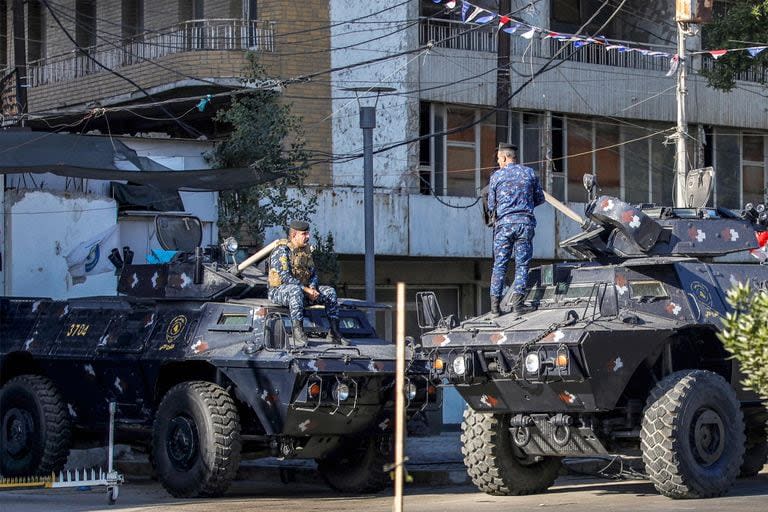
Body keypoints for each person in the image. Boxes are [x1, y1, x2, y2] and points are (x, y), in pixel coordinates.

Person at [267, 220, 348, 346]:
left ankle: (335, 333)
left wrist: (312, 288)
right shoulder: (282, 251)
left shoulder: (306, 251)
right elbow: (285, 277)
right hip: (279, 291)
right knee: (295, 291)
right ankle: (298, 332)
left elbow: (313, 274)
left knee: (330, 292)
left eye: (308, 233)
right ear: (294, 235)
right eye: (304, 234)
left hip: (303, 291)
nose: (308, 237)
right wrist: (306, 290)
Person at [487, 143, 545, 316]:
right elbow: (540, 199)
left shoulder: (496, 177)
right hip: (524, 224)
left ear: (504, 157)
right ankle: (518, 305)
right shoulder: (529, 173)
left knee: (499, 265)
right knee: (522, 265)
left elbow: (491, 205)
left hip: (504, 226)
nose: (498, 162)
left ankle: (495, 307)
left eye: (498, 159)